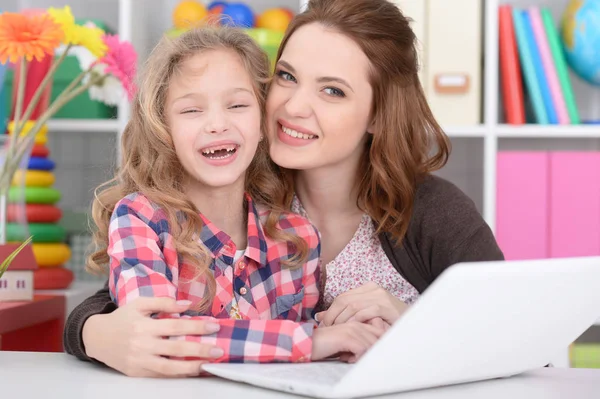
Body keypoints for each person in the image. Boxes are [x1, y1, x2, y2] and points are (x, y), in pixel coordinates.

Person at [63, 0, 504, 377]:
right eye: (288, 77)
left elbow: (519, 340)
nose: (294, 106)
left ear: (377, 115)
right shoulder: (243, 188)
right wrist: (91, 333)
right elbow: (122, 311)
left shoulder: (431, 210)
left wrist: (414, 322)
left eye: (332, 91)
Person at [72, 25, 384, 375]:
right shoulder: (141, 220)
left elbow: (308, 367)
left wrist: (355, 334)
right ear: (163, 127)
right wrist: (308, 341)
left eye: (237, 105)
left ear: (264, 120)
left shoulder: (297, 238)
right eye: (191, 111)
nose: (217, 124)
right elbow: (159, 340)